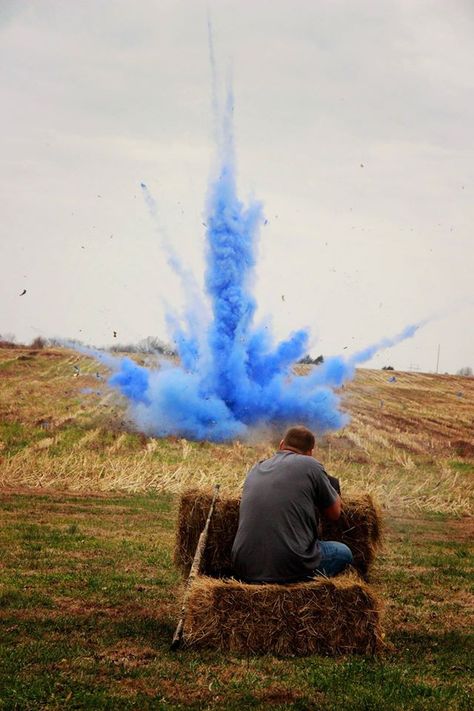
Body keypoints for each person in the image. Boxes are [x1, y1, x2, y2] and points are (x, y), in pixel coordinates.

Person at [231, 425, 353, 584]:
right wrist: (329, 487)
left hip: (243, 567)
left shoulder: (256, 468)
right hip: (291, 565)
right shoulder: (311, 465)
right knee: (343, 553)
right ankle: (299, 579)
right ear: (310, 453)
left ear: (281, 445)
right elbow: (335, 513)